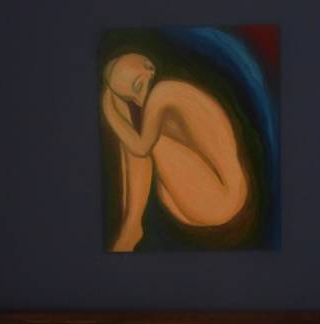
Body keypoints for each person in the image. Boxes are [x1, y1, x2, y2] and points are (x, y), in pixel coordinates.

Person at [102, 53, 250, 252]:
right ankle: (131, 223)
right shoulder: (160, 99)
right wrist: (119, 105)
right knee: (134, 134)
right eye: (130, 99)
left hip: (219, 200)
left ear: (149, 67)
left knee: (144, 143)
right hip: (201, 201)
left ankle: (132, 226)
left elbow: (141, 148)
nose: (138, 102)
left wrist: (110, 110)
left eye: (138, 87)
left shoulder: (164, 92)